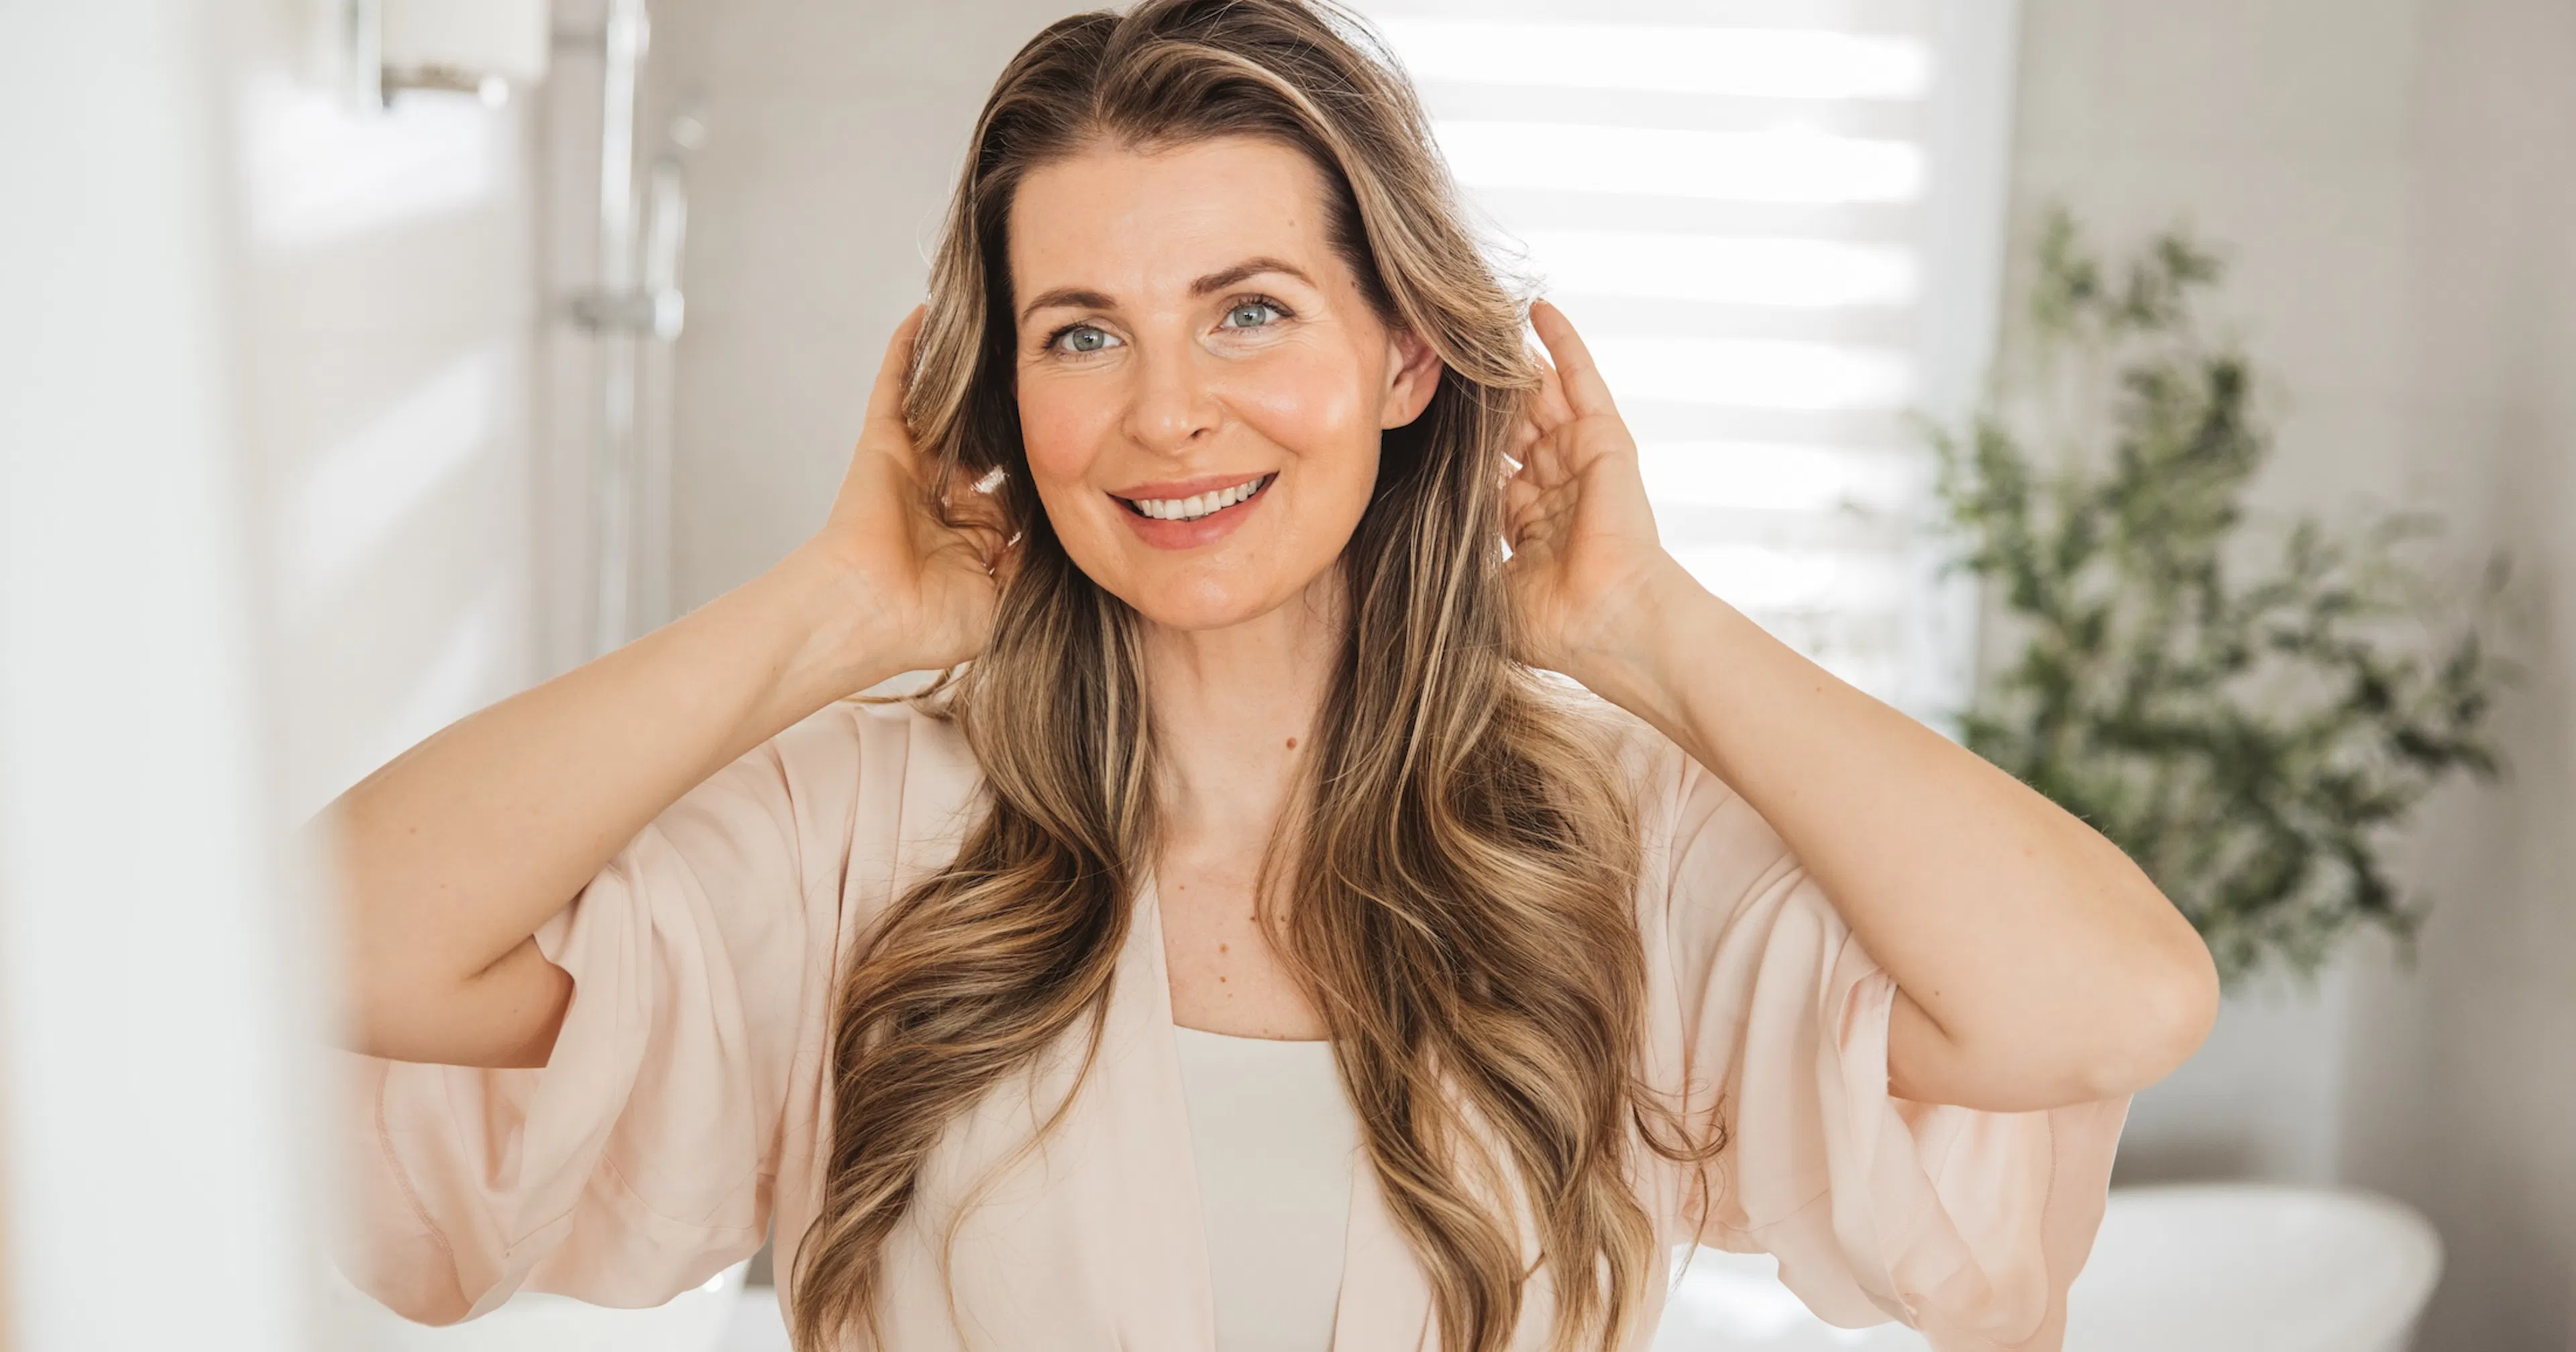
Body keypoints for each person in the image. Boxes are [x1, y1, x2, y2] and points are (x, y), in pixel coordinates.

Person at [317, 3, 2218, 1349]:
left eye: (1249, 311)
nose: (1165, 415)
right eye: (1081, 335)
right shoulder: (870, 836)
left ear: (1405, 358)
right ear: (1007, 396)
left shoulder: (1599, 849)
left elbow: (2112, 1000)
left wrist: (1646, 630)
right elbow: (323, 943)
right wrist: (829, 611)